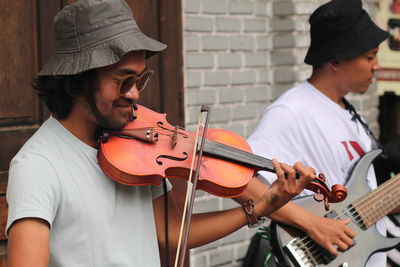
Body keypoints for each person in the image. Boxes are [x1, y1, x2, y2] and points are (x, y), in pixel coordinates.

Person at [5, 0, 316, 266]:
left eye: (140, 80)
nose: (135, 94)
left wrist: (262, 206)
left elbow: (171, 232)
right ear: (78, 80)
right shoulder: (38, 165)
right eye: (123, 80)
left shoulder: (138, 149)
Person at [247, 0, 390, 266]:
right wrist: (313, 225)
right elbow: (243, 182)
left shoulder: (348, 112)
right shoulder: (291, 112)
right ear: (336, 60)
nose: (376, 66)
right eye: (369, 57)